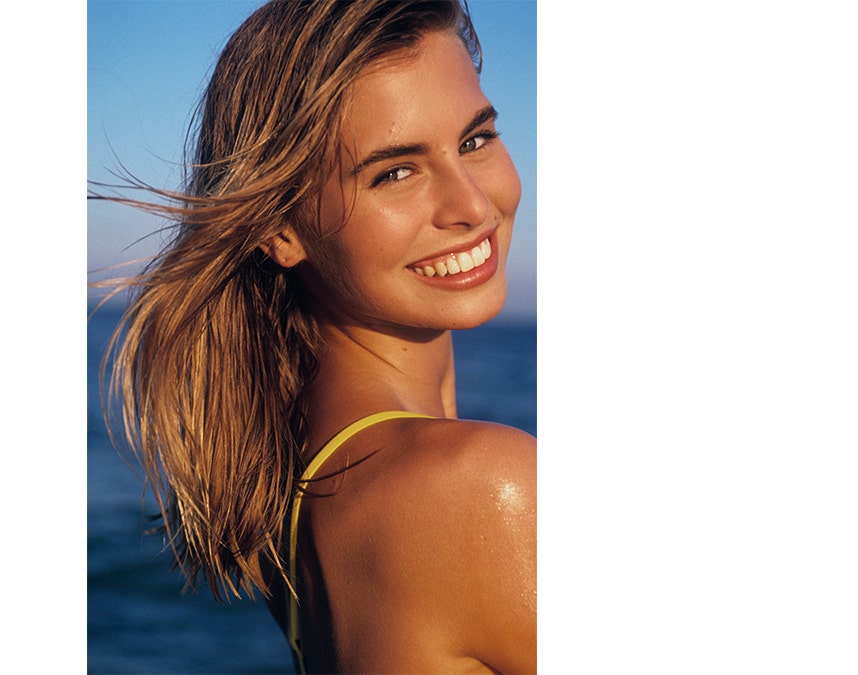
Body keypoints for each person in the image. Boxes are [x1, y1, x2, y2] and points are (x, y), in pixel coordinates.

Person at [92, 1, 535, 672]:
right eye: (396, 172)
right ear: (282, 229)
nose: (473, 205)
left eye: (475, 140)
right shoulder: (478, 489)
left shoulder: (301, 480)